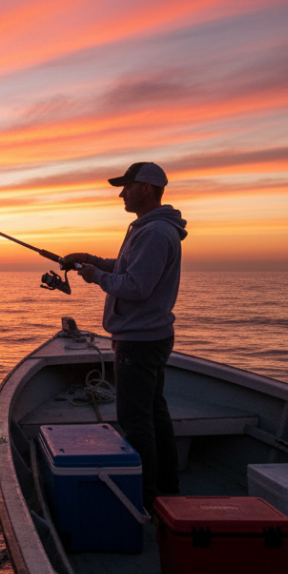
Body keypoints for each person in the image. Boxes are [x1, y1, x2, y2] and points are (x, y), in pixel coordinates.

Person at [60, 161, 188, 513]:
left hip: (140, 341)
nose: (121, 193)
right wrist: (89, 260)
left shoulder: (154, 233)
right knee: (154, 413)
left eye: (127, 186)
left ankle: (147, 499)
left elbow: (136, 286)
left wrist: (95, 277)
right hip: (149, 336)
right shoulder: (149, 229)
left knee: (135, 419)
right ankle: (167, 488)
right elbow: (128, 267)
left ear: (146, 188)